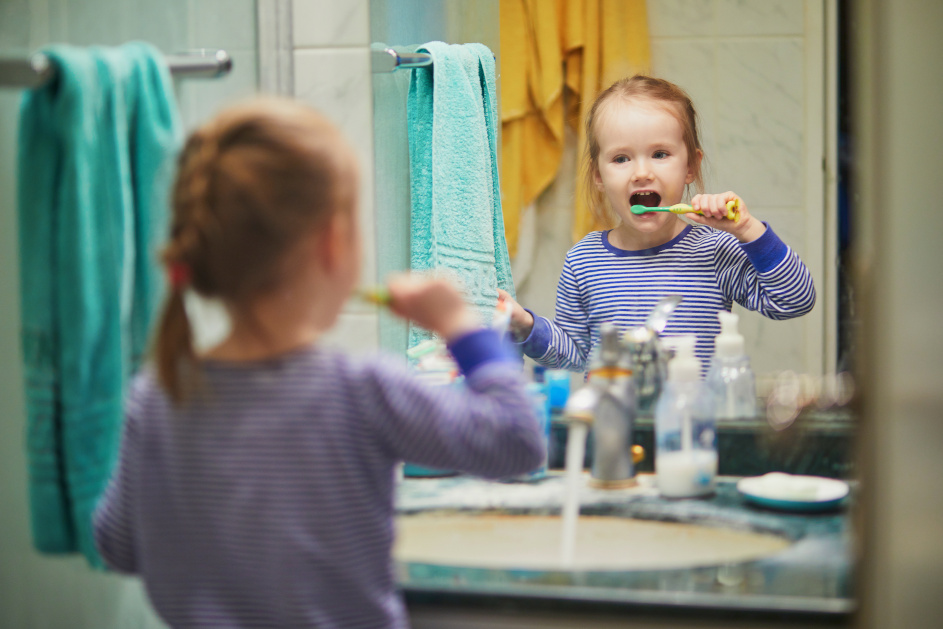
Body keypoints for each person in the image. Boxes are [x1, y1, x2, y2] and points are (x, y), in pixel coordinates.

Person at [92, 98, 544, 629]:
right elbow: (518, 442)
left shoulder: (159, 394)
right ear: (333, 243)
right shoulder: (359, 391)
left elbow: (117, 546)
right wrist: (460, 327)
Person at [500, 75, 816, 371]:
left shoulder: (713, 250)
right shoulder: (584, 260)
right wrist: (526, 324)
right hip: (613, 425)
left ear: (691, 165)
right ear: (599, 175)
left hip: (692, 425)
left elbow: (795, 300)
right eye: (621, 159)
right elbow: (575, 353)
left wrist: (748, 230)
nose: (641, 173)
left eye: (660, 154)